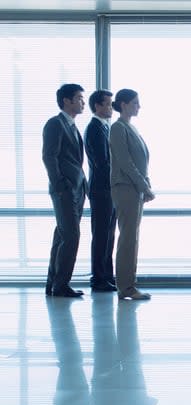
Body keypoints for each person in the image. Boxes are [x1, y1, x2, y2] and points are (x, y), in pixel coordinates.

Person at [42, 83, 88, 298]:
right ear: (67, 101)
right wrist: (60, 185)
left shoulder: (71, 125)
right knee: (70, 236)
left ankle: (53, 284)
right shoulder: (55, 124)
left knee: (62, 236)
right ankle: (61, 285)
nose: (82, 102)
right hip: (65, 190)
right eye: (79, 98)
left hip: (76, 189)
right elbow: (49, 156)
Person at [109, 89, 155, 300]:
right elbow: (125, 161)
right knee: (128, 238)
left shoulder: (130, 127)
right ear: (124, 104)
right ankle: (126, 287)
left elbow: (140, 161)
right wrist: (144, 186)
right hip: (125, 187)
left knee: (132, 237)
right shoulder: (118, 128)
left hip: (134, 187)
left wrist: (145, 185)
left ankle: (129, 284)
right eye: (135, 103)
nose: (139, 106)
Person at [85, 89, 117, 293]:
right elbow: (101, 162)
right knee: (101, 235)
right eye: (108, 104)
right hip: (101, 189)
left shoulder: (104, 127)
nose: (111, 108)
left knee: (108, 234)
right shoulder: (95, 128)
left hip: (108, 188)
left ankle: (107, 276)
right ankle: (98, 278)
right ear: (97, 106)